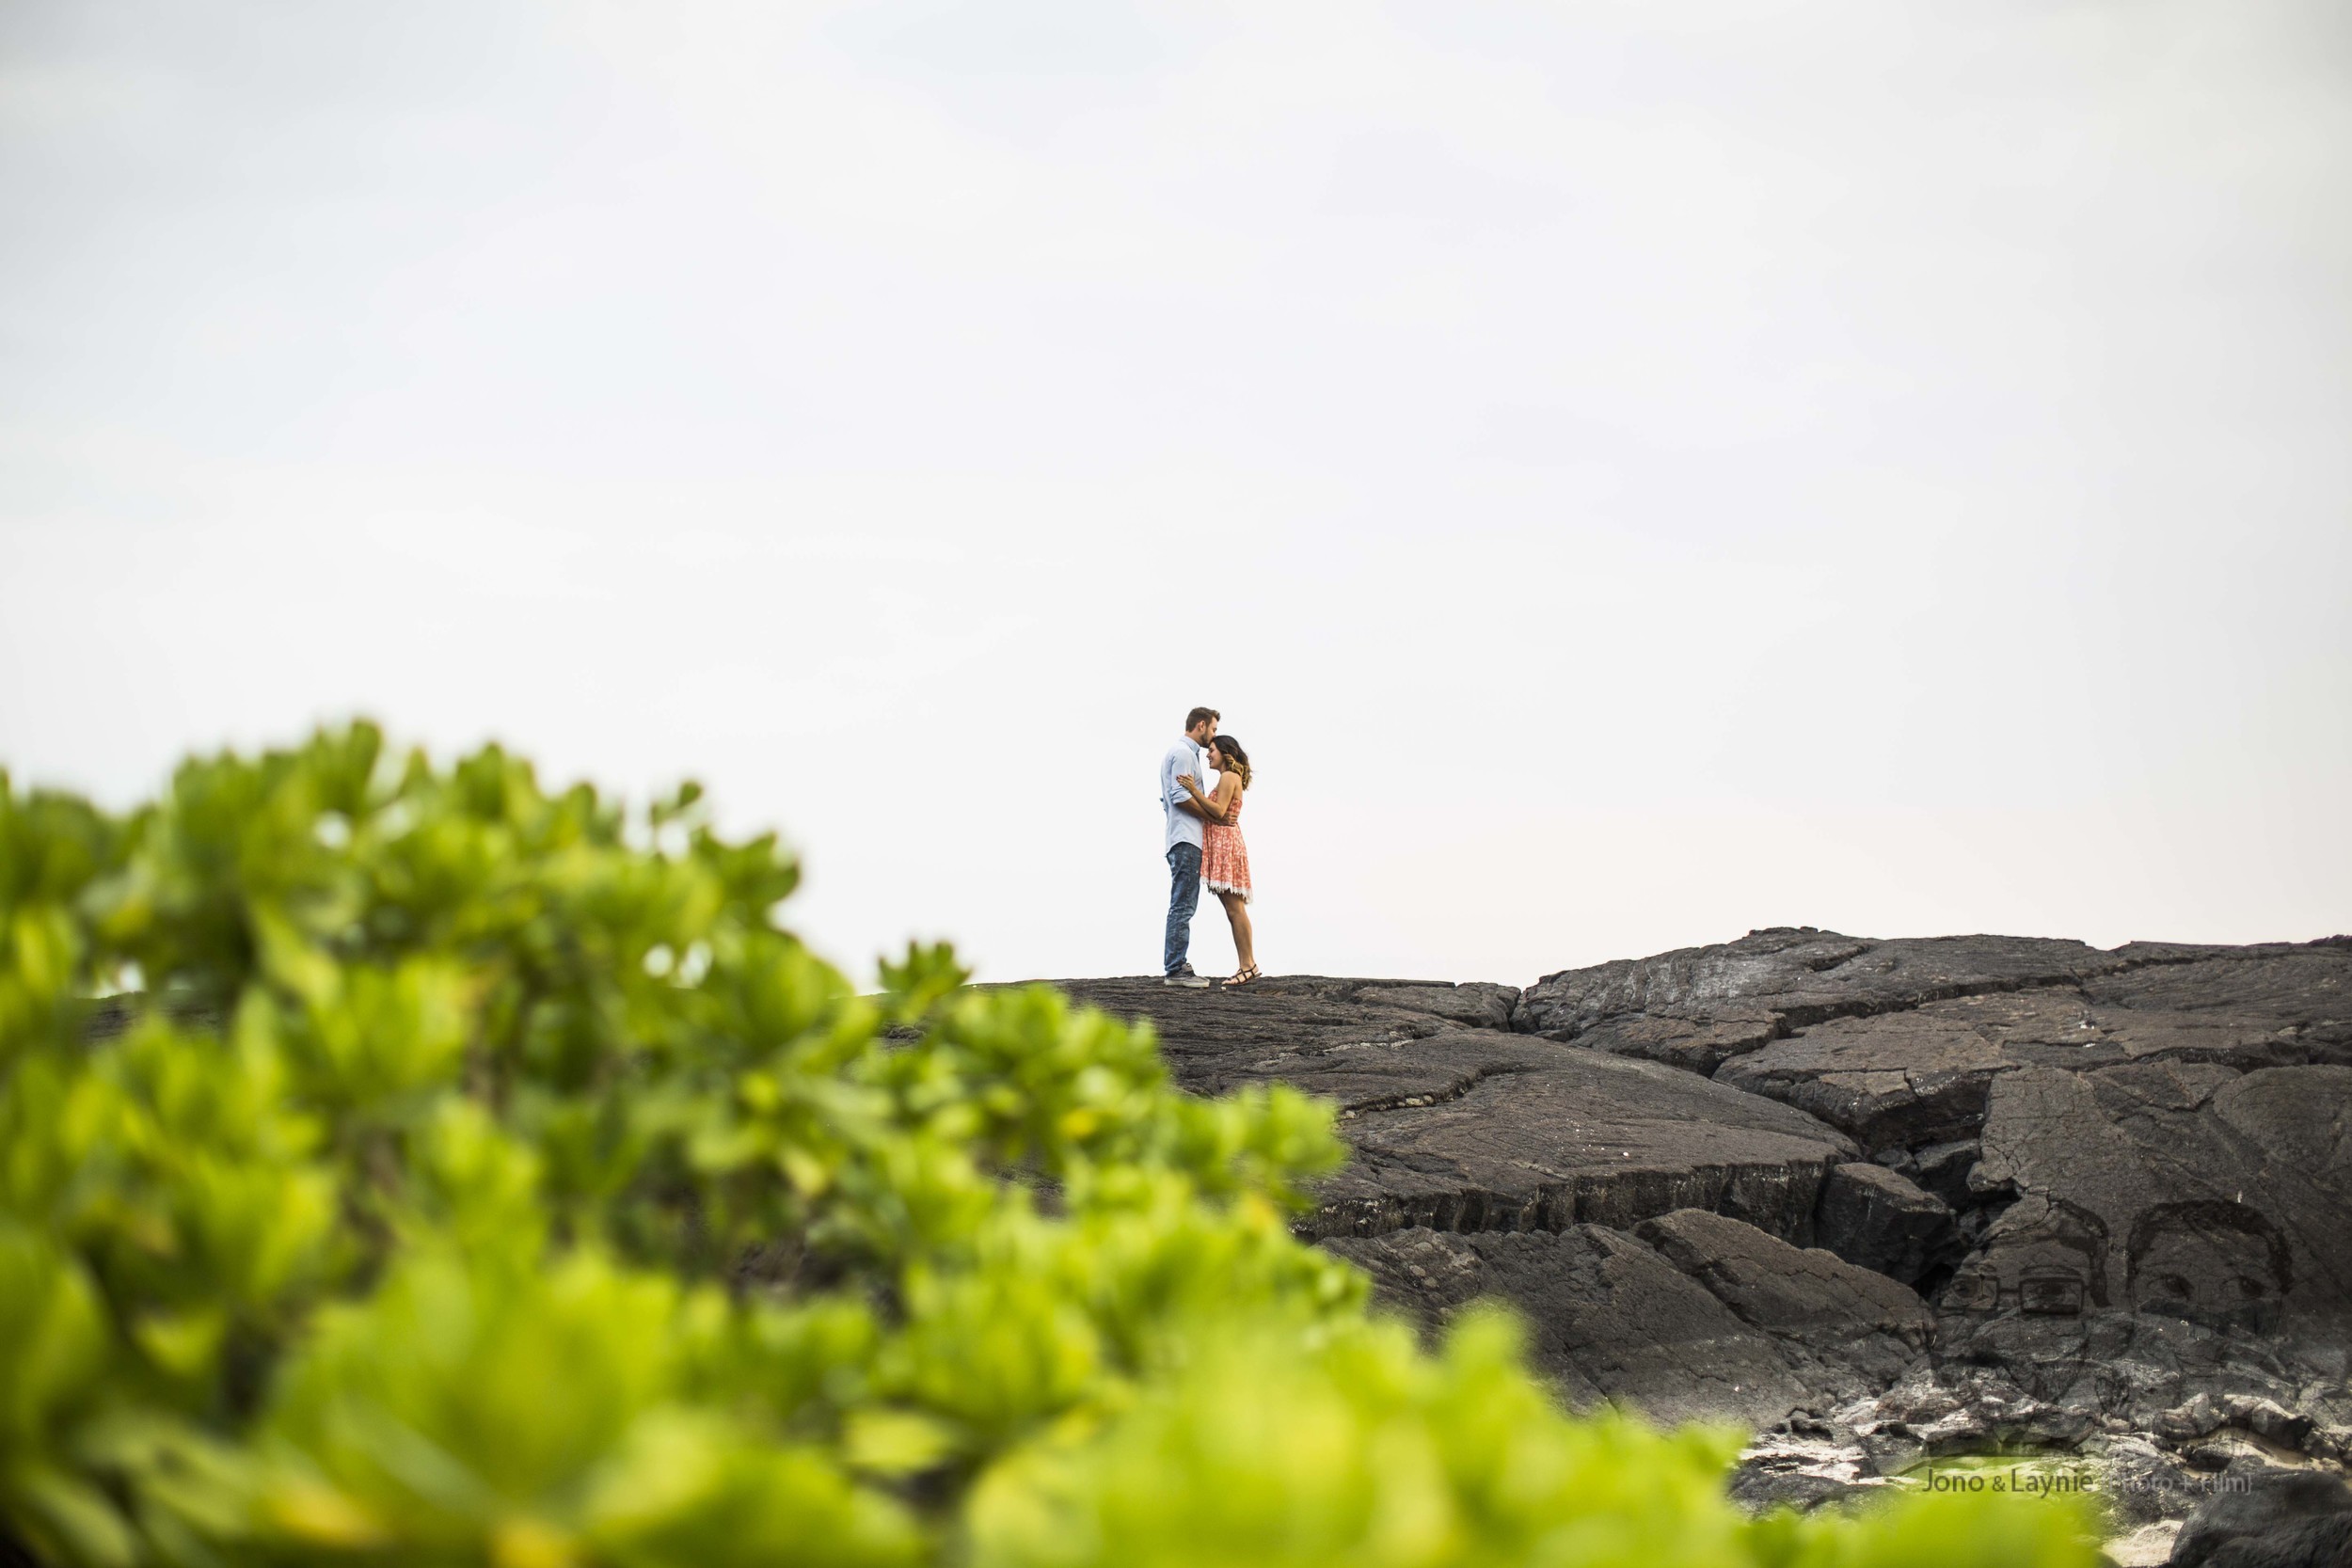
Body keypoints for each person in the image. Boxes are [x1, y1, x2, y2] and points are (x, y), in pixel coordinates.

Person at [1178, 735, 1257, 987]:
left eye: (1212, 750)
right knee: (1233, 909)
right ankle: (1247, 964)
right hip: (1225, 844)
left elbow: (1219, 811)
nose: (1208, 754)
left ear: (1224, 752)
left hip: (1227, 845)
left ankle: (1248, 965)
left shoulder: (1227, 777)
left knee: (1235, 909)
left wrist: (1193, 791)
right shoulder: (1230, 777)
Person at [1158, 706, 1218, 986]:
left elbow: (1168, 800)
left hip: (1181, 837)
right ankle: (1176, 968)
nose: (1213, 735)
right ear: (1202, 725)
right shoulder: (1183, 753)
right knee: (1183, 904)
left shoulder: (1180, 753)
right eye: (1213, 729)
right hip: (1186, 839)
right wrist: (1211, 815)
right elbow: (1179, 796)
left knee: (1182, 903)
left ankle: (1176, 964)